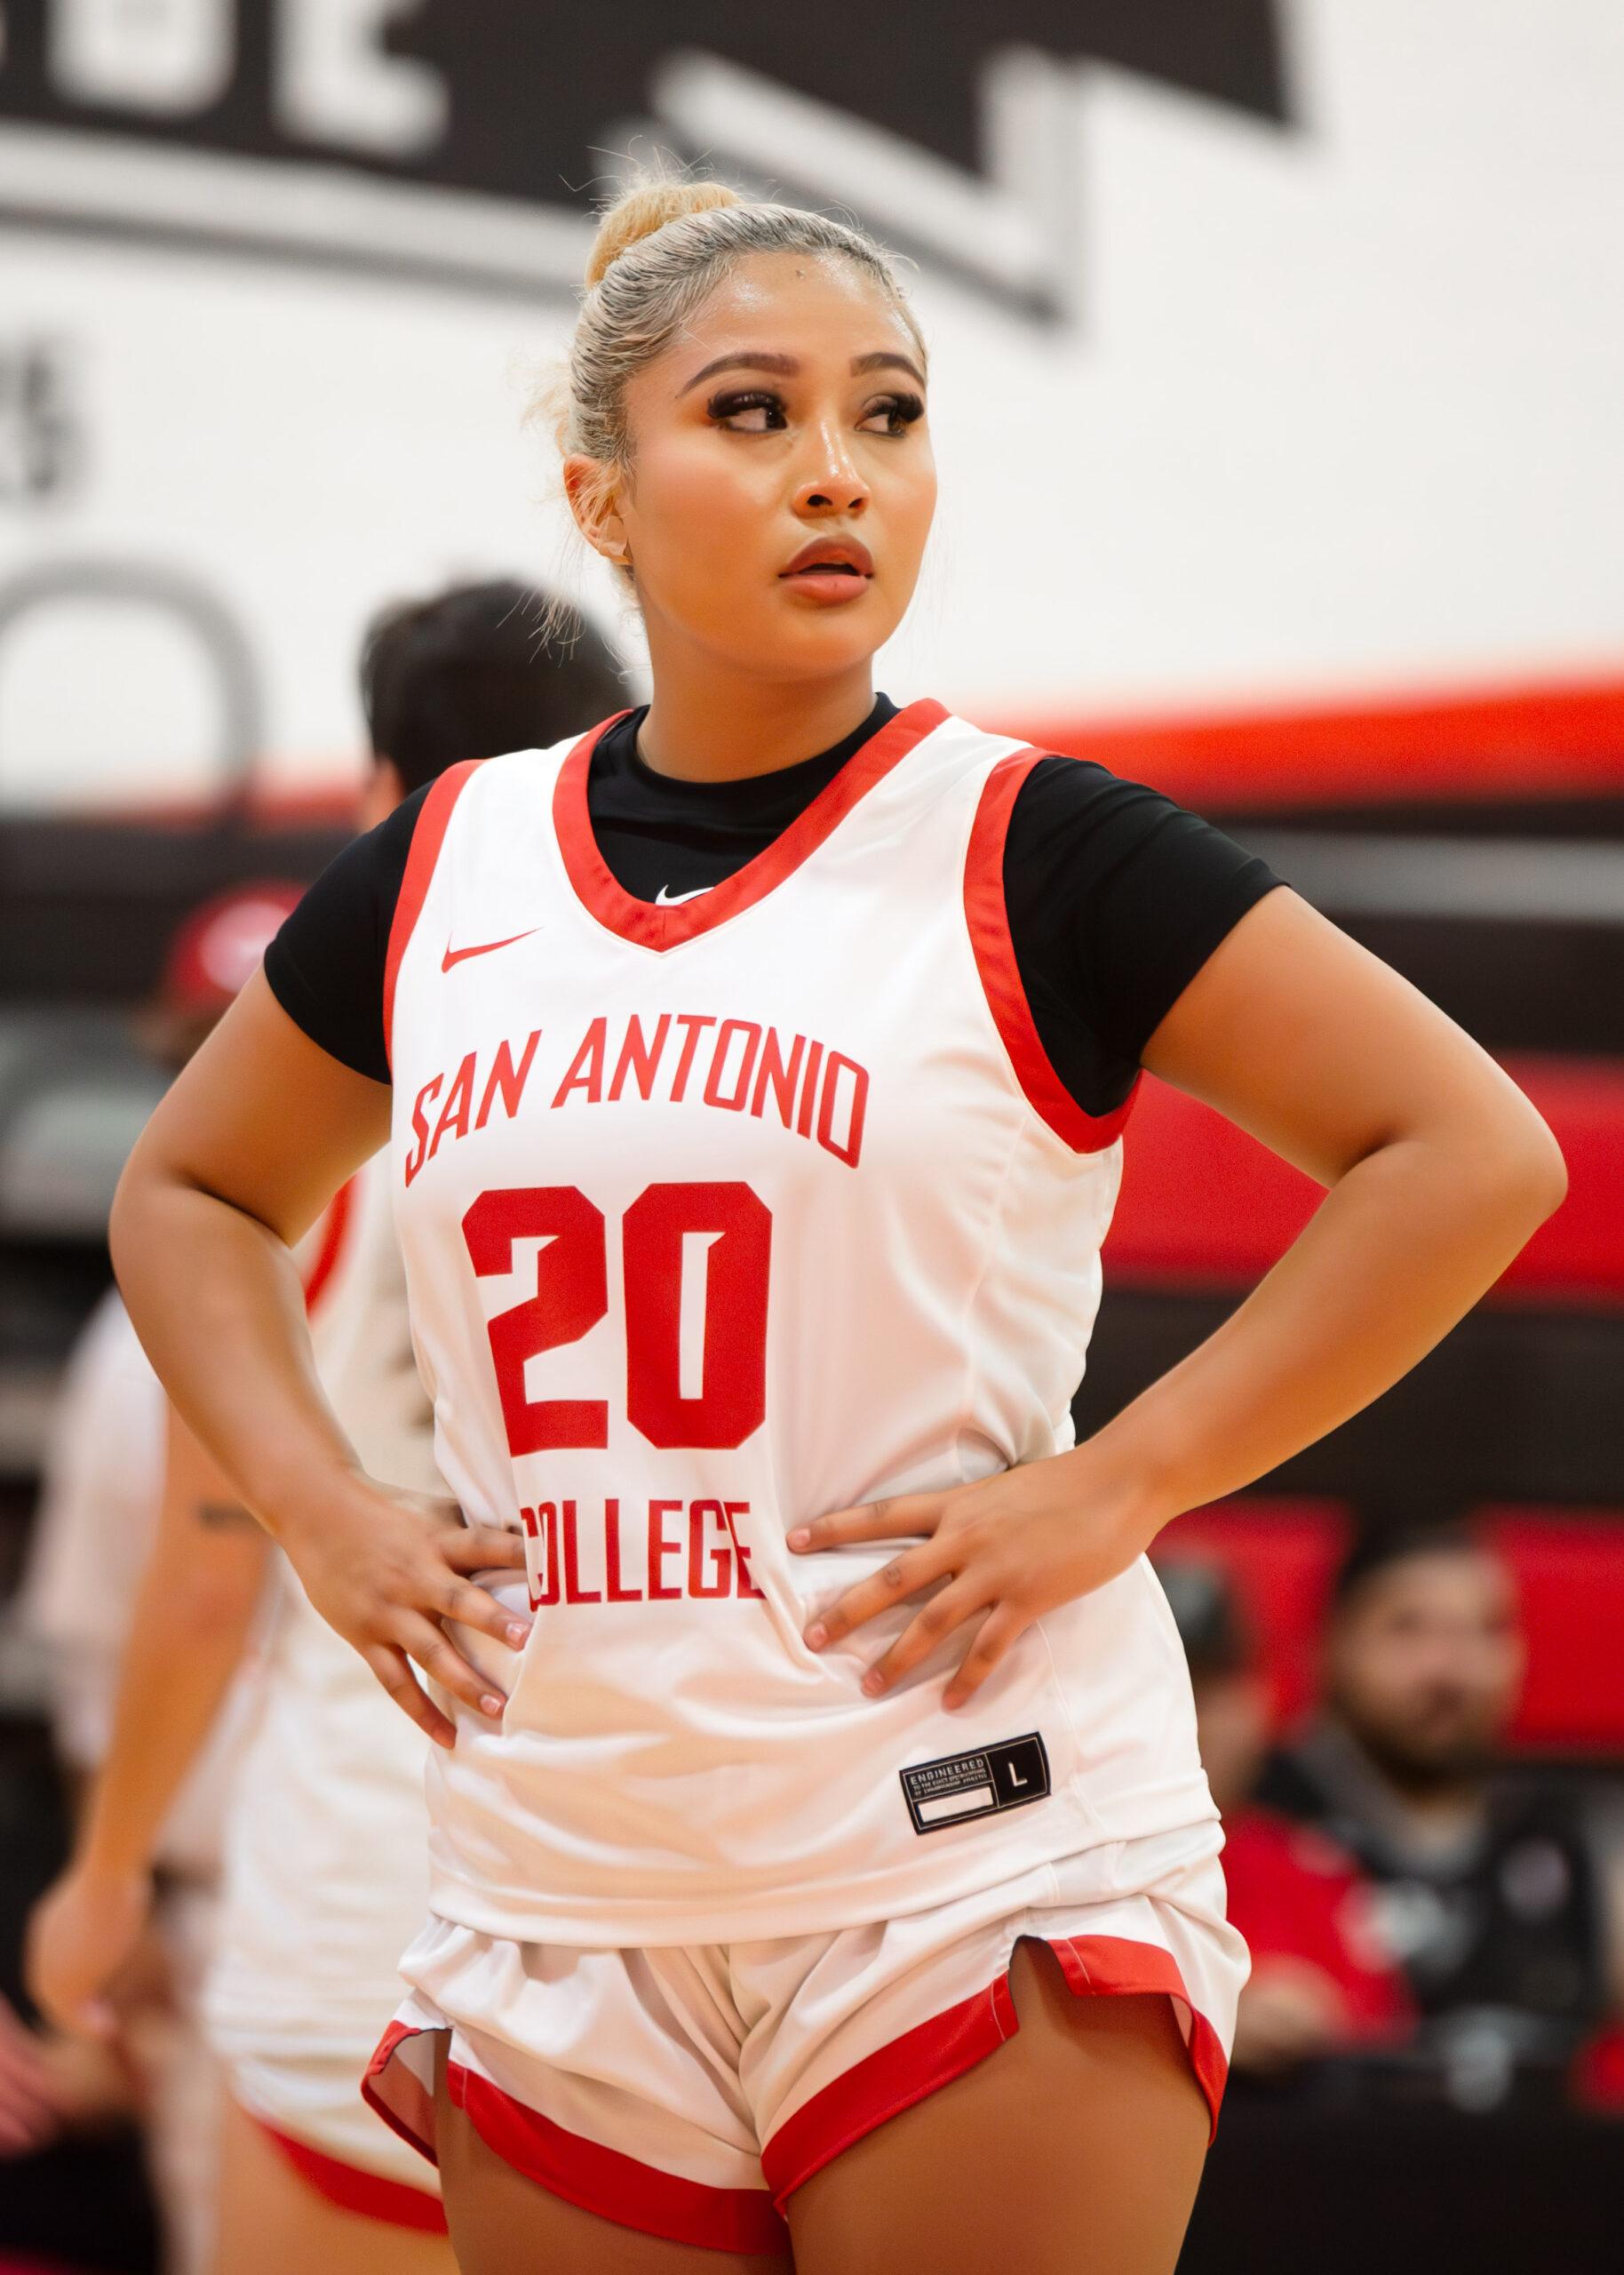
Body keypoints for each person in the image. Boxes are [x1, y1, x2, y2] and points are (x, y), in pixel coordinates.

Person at [100, 176, 1567, 2275]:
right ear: (601, 500)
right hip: (568, 1862)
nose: (834, 470)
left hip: (966, 1846)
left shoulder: (1038, 844)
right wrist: (322, 1513)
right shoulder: (448, 865)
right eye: (753, 412)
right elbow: (190, 1186)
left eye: (887, 413)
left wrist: (1126, 1478)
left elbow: (1465, 1148)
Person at [28, 581, 623, 2275]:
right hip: (671, 1863)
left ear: (379, 797)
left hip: (385, 1853)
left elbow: (212, 1566)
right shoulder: (723, 1072)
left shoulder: (317, 1116)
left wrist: (107, 1872)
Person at [19, 882, 303, 2275]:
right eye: (203, 1052)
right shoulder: (134, 1342)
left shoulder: (430, 1285)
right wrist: (115, 1875)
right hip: (230, 1897)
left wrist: (106, 1876)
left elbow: (183, 1599)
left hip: (395, 1879)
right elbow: (97, 1653)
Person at [1258, 1521, 1622, 2069]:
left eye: (1486, 1629)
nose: (1452, 1670)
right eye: (1409, 1628)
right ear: (1324, 1647)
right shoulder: (1244, 1822)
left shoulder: (1578, 1838)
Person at [1158, 1559, 1410, 2077]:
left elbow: (1391, 2055)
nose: (1194, 1722)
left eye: (1212, 1691)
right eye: (1165, 1691)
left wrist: (1328, 2027)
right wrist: (1203, 2017)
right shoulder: (1048, 1873)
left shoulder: (1309, 1870)